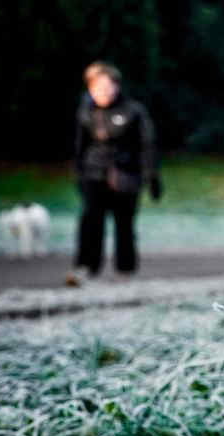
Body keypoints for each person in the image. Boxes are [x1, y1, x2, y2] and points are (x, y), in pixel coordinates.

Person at [68, 62, 161, 286]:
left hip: (126, 176)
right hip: (94, 175)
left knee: (124, 224)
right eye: (97, 88)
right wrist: (79, 172)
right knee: (90, 222)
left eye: (108, 87)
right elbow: (80, 146)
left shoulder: (134, 111)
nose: (103, 92)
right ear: (90, 88)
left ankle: (125, 270)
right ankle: (85, 267)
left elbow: (147, 144)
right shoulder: (85, 112)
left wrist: (152, 176)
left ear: (117, 86)